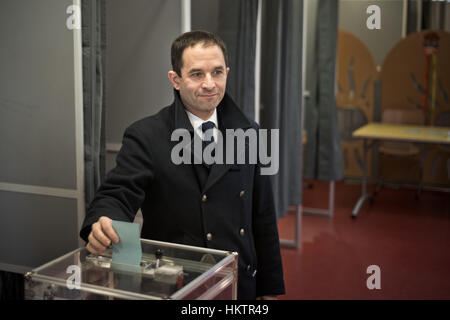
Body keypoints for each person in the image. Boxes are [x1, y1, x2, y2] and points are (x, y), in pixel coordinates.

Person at [80, 30, 285, 300]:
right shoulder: (147, 136)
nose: (210, 84)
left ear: (227, 73)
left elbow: (263, 215)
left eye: (218, 72)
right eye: (197, 74)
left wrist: (269, 288)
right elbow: (117, 194)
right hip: (176, 282)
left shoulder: (250, 132)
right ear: (175, 80)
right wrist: (103, 221)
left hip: (238, 282)